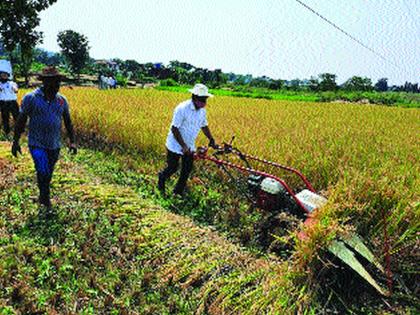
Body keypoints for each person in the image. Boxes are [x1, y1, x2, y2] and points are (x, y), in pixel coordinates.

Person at [11, 66, 77, 212]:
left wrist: (72, 141)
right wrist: (15, 142)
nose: (56, 86)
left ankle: (43, 195)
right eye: (53, 83)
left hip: (54, 144)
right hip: (37, 143)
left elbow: (68, 121)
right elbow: (21, 121)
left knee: (48, 173)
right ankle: (45, 200)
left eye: (58, 83)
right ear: (45, 82)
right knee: (42, 170)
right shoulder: (31, 98)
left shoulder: (61, 101)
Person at [158, 83, 217, 196]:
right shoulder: (182, 108)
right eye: (203, 99)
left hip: (189, 145)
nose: (205, 102)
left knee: (186, 170)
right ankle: (161, 178)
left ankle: (177, 192)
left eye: (206, 99)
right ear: (195, 98)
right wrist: (183, 146)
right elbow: (174, 128)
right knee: (172, 168)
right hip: (175, 144)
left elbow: (204, 126)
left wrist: (211, 139)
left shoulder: (202, 111)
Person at [0, 70, 19, 135]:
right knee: (5, 118)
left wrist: (14, 89)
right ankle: (6, 133)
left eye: (5, 74)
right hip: (3, 103)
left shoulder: (12, 83)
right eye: (2, 74)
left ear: (8, 76)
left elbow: (16, 90)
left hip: (12, 102)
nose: (4, 75)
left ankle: (19, 132)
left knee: (16, 117)